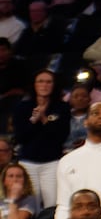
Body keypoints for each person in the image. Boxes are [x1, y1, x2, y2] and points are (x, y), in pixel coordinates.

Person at [12, 69, 68, 208]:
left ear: (54, 85)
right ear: (34, 85)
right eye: (41, 81)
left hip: (52, 162)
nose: (44, 85)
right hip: (28, 162)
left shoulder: (62, 107)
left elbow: (61, 137)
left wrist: (44, 119)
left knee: (52, 204)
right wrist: (33, 121)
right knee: (30, 205)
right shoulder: (22, 107)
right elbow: (20, 137)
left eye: (49, 82)